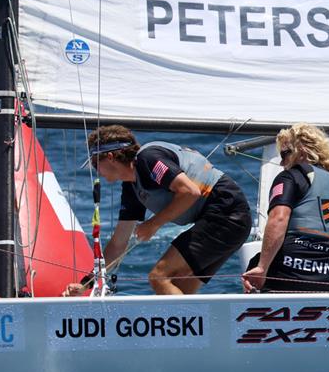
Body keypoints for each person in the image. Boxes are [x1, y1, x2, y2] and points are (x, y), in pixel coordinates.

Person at [63, 125, 251, 296]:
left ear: (110, 157)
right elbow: (118, 244)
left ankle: (188, 331)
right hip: (224, 219)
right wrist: (85, 284)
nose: (97, 172)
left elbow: (189, 192)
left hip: (227, 212)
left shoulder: (148, 159)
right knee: (179, 289)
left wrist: (153, 224)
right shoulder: (131, 187)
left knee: (159, 277)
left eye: (96, 164)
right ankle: (192, 333)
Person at [242, 123, 329, 293]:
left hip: (291, 272)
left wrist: (262, 267)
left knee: (254, 267)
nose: (281, 162)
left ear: (300, 150)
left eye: (285, 154)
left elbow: (278, 219)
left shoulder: (291, 176)